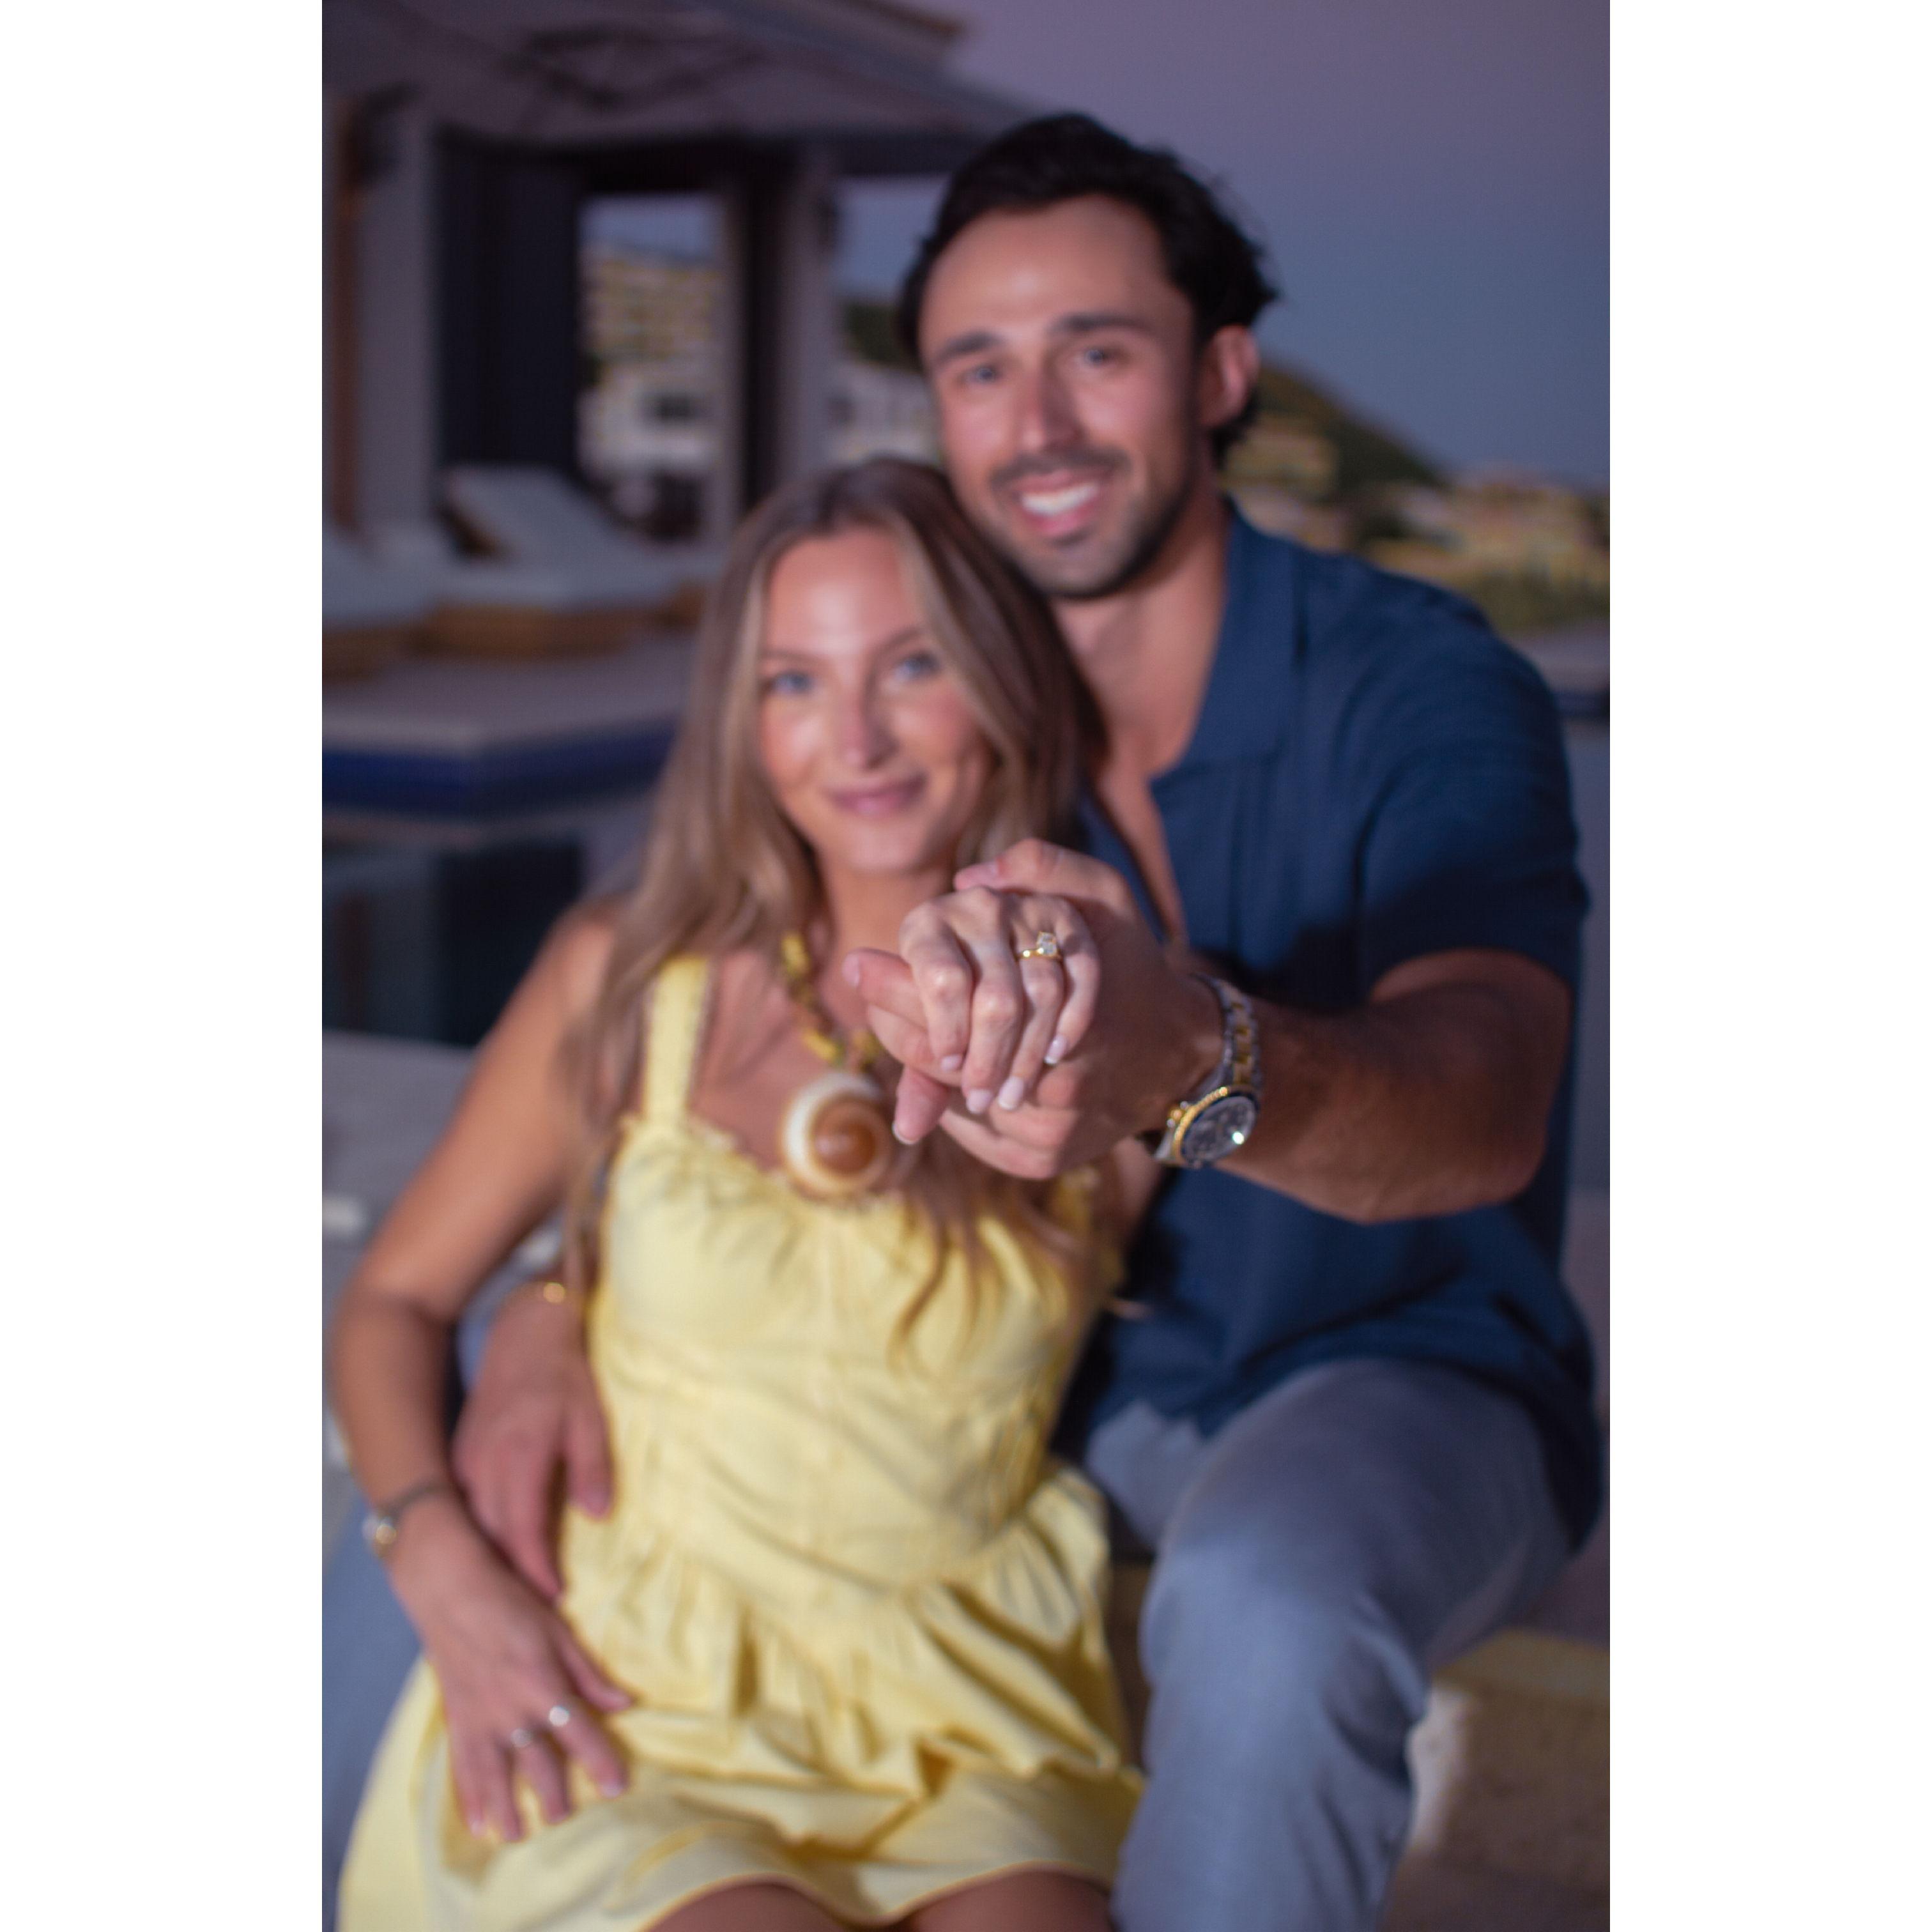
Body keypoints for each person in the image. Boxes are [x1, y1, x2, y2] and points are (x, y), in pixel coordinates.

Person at [356, 115, 1602, 1932]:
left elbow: (1485, 1102)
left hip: (1365, 1362)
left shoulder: (1412, 688)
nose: (1039, 422)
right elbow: (694, 1154)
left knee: (1266, 1607)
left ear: (1220, 374)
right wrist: (558, 1292)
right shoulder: (962, 761)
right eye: (979, 367)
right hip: (1067, 1418)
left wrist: (1186, 1057)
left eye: (1097, 351)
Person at [326, 458, 1147, 1932]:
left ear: (1000, 678)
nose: (857, 739)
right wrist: (437, 1552)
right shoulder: (632, 982)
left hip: (972, 1702)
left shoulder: (1092, 1007)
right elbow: (393, 1298)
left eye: (912, 665)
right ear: (743, 722)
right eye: (794, 683)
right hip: (636, 1694)